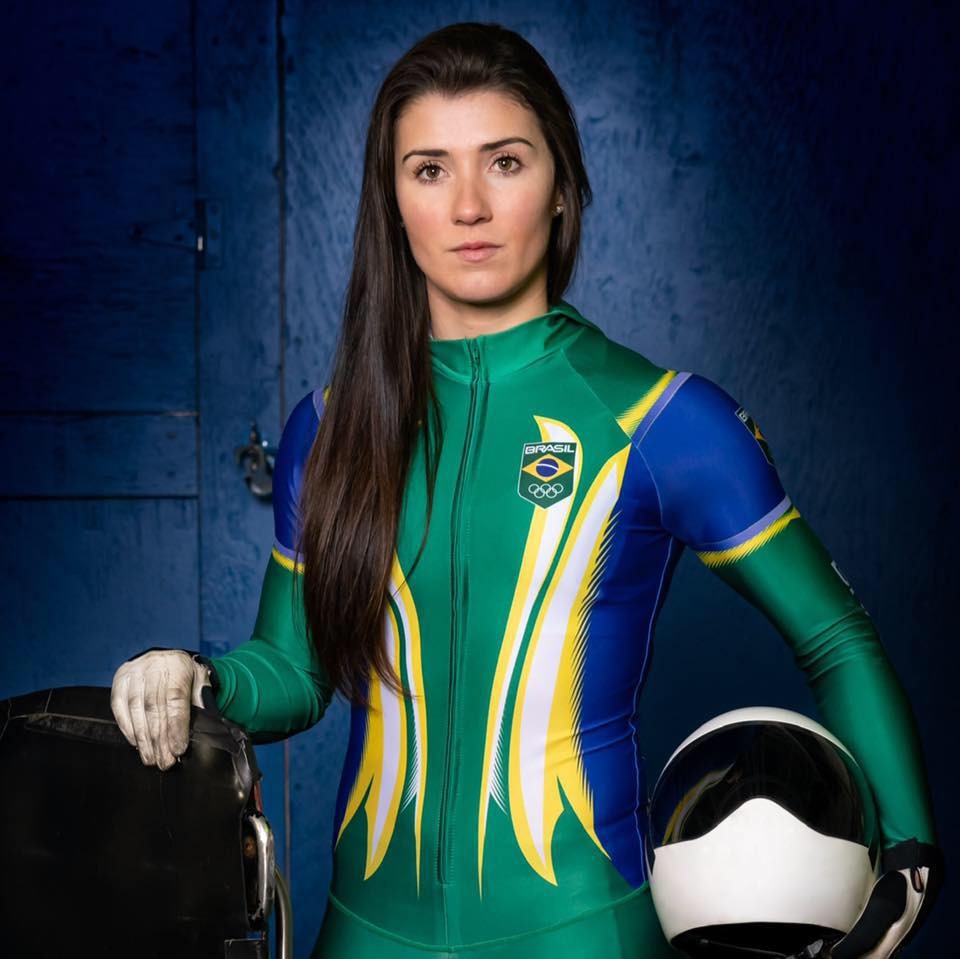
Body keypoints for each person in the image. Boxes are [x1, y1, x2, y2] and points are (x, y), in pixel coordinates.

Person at [110, 21, 943, 959]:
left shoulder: (661, 420)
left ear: (561, 186)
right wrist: (199, 676)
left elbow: (835, 637)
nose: (468, 205)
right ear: (392, 201)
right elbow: (296, 672)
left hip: (582, 931)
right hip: (365, 933)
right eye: (429, 170)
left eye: (504, 161)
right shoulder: (330, 425)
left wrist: (909, 855)